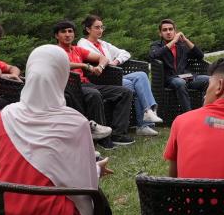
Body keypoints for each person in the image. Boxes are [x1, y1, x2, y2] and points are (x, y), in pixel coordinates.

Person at [0, 45, 114, 215]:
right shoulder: (74, 123)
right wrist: (97, 169)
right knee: (102, 212)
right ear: (62, 75)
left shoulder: (1, 118)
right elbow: (85, 185)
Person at [78, 14, 162, 137]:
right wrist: (106, 62)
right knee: (133, 85)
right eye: (97, 27)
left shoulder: (103, 44)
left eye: (102, 27)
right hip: (99, 79)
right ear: (88, 29)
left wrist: (116, 61)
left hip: (113, 76)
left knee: (141, 75)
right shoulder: (83, 44)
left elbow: (125, 53)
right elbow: (97, 60)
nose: (100, 30)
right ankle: (143, 124)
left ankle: (149, 111)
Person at [54, 20, 133, 148]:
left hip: (86, 85)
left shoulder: (77, 50)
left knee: (125, 92)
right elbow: (63, 64)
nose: (67, 34)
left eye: (70, 31)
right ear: (57, 36)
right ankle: (103, 139)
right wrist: (84, 65)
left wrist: (100, 67)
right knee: (94, 94)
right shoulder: (55, 51)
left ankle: (118, 134)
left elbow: (103, 58)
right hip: (69, 87)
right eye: (63, 32)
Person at [149, 18, 210, 113]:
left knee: (209, 80)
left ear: (175, 31)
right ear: (160, 33)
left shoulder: (182, 45)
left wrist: (186, 40)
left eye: (170, 29)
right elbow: (154, 55)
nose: (168, 32)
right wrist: (173, 42)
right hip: (170, 79)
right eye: (165, 30)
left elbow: (200, 55)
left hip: (186, 77)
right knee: (180, 82)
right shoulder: (157, 45)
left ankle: (205, 111)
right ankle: (188, 115)